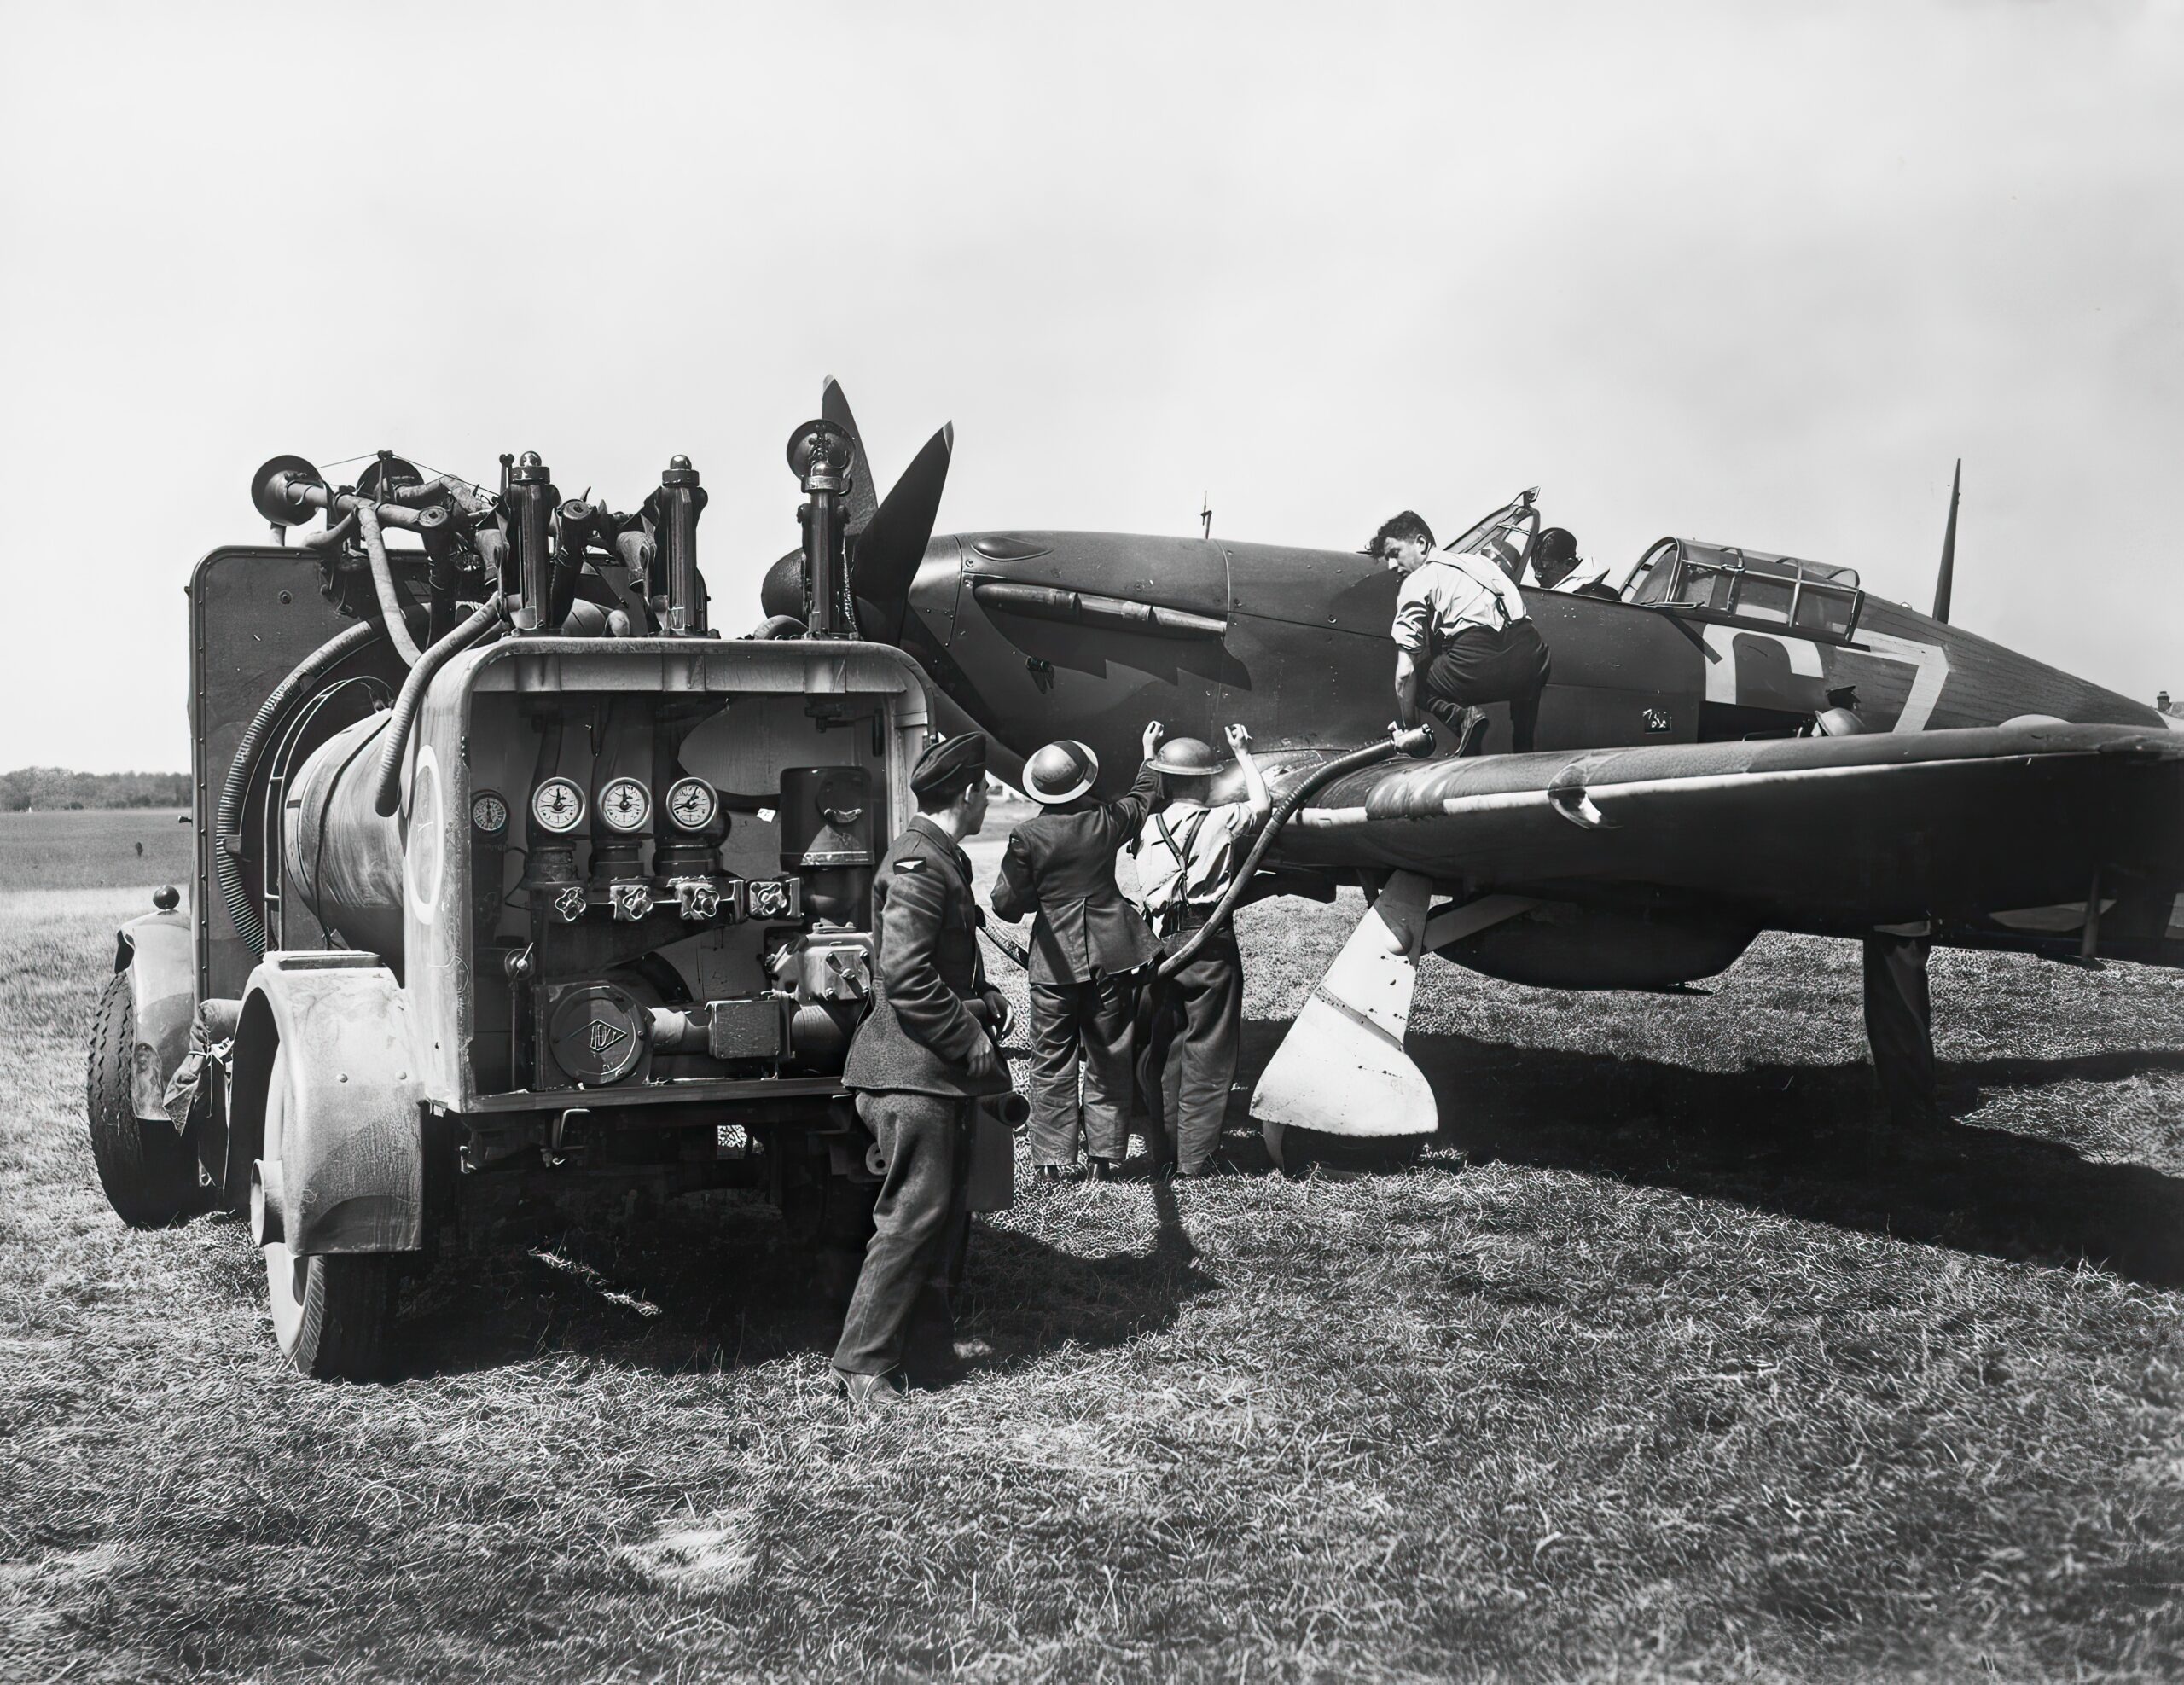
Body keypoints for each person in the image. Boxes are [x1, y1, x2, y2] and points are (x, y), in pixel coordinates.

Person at [831, 731, 1015, 1410]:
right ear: (969, 793)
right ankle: (861, 1367)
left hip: (927, 1068)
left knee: (942, 1213)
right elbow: (905, 976)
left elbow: (938, 961)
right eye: (986, 789)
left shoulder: (941, 857)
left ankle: (926, 1349)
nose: (989, 799)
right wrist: (971, 1039)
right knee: (914, 1212)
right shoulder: (919, 861)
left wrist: (983, 993)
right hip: (910, 1070)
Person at [990, 723, 1166, 1182]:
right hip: (1113, 957)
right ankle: (1106, 1158)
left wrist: (1041, 898)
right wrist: (1147, 754)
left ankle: (1051, 1161)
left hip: (1052, 965)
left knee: (1050, 1060)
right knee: (1110, 1057)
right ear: (1084, 781)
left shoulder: (1026, 836)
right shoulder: (1106, 822)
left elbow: (1006, 905)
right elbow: (1143, 796)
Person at [1135, 723, 1271, 1178]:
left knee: (1166, 1052)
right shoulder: (1222, 819)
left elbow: (1146, 795)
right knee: (1208, 1053)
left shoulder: (1147, 824)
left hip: (1159, 943)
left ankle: (1167, 1155)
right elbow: (1263, 805)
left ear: (1165, 780)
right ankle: (1196, 1160)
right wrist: (1244, 754)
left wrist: (1148, 755)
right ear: (1208, 781)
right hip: (1208, 939)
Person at [1375, 509, 1552, 755]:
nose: (1392, 565)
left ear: (1422, 543)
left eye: (1395, 554)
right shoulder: (1483, 564)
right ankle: (1524, 747)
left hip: (1480, 657)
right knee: (1521, 666)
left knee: (1417, 682)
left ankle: (1464, 719)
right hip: (1535, 656)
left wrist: (1410, 729)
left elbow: (1405, 673)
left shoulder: (1416, 581)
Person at [1528, 526, 1616, 597]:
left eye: (1543, 568)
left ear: (1568, 564)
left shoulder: (1594, 597)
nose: (1537, 575)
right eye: (1534, 566)